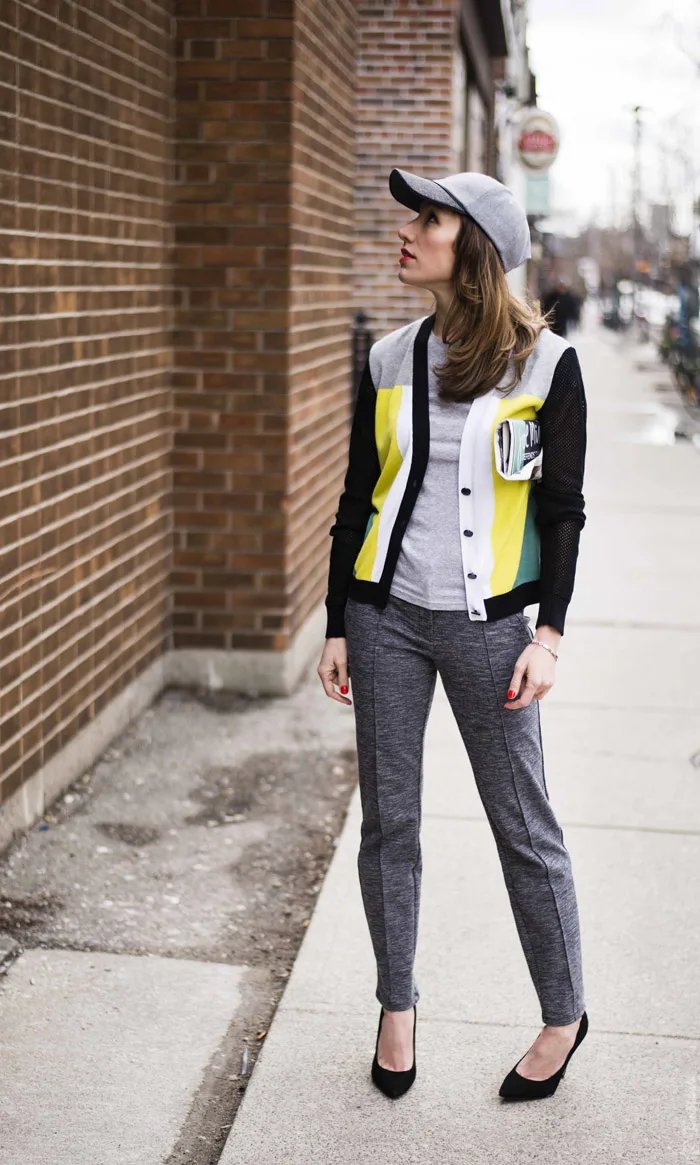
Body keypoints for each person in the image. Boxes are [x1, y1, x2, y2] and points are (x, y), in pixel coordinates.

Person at [317, 167, 589, 1103]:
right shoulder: (389, 357)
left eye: (426, 219)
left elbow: (562, 510)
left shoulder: (547, 366)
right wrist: (338, 620)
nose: (407, 232)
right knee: (390, 822)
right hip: (385, 618)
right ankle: (397, 1006)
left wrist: (547, 633)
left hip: (493, 627)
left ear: (471, 246)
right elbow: (359, 497)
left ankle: (563, 1013)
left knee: (524, 825)